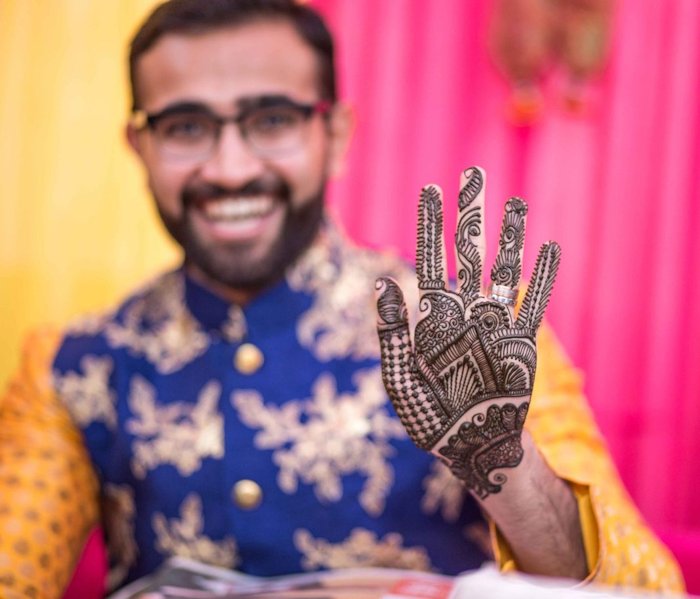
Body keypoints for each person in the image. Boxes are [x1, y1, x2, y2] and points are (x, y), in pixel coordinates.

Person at [0, 1, 684, 597]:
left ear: (336, 137)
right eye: (185, 128)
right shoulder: (73, 362)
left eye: (271, 120)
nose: (231, 167)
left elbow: (645, 590)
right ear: (138, 145)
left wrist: (505, 465)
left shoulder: (464, 333)